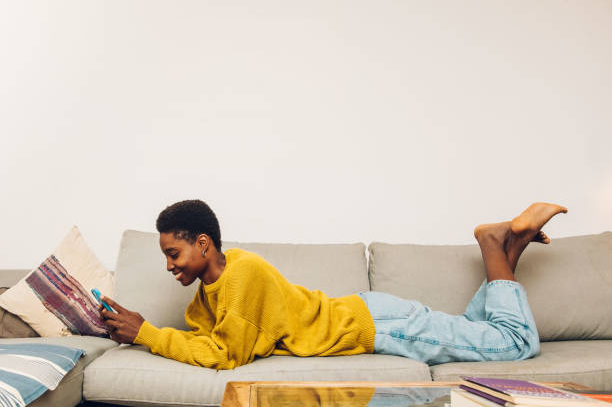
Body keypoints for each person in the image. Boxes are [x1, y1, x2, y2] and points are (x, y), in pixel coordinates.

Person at [99, 200, 567, 369]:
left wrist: (146, 333)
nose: (168, 265)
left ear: (203, 244)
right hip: (368, 315)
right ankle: (515, 244)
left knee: (514, 345)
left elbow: (224, 355)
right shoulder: (222, 277)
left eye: (173, 253)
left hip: (375, 327)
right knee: (476, 333)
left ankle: (492, 243)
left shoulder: (241, 275)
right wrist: (146, 331)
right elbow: (215, 337)